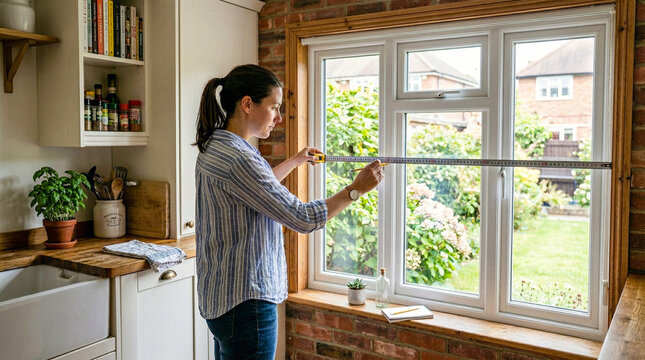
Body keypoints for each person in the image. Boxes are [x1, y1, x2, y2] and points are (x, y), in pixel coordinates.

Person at [194, 64, 383, 359]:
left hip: (222, 297)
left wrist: (294, 161)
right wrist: (354, 190)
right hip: (248, 303)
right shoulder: (241, 158)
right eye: (274, 107)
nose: (279, 118)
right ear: (247, 104)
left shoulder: (216, 145)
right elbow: (303, 218)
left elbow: (254, 189)